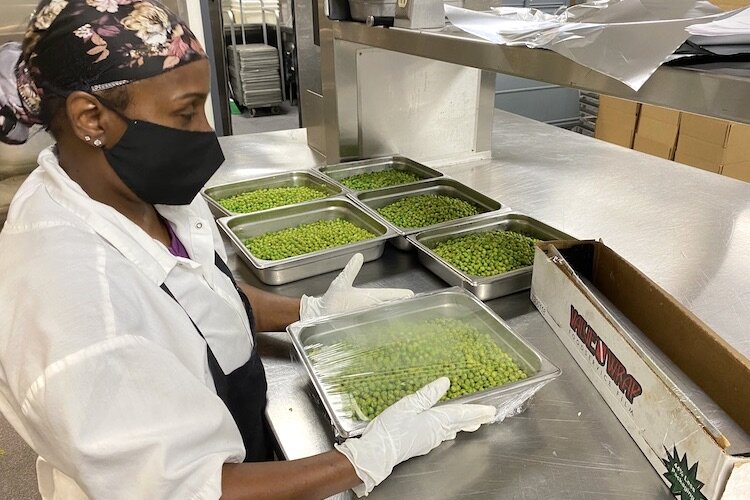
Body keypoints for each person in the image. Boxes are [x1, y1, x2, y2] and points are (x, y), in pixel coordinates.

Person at [0, 1, 498, 499]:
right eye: (186, 111)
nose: (205, 132)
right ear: (92, 117)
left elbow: (197, 296)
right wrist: (367, 457)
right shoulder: (79, 314)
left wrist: (309, 311)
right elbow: (194, 490)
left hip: (238, 440)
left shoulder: (129, 192)